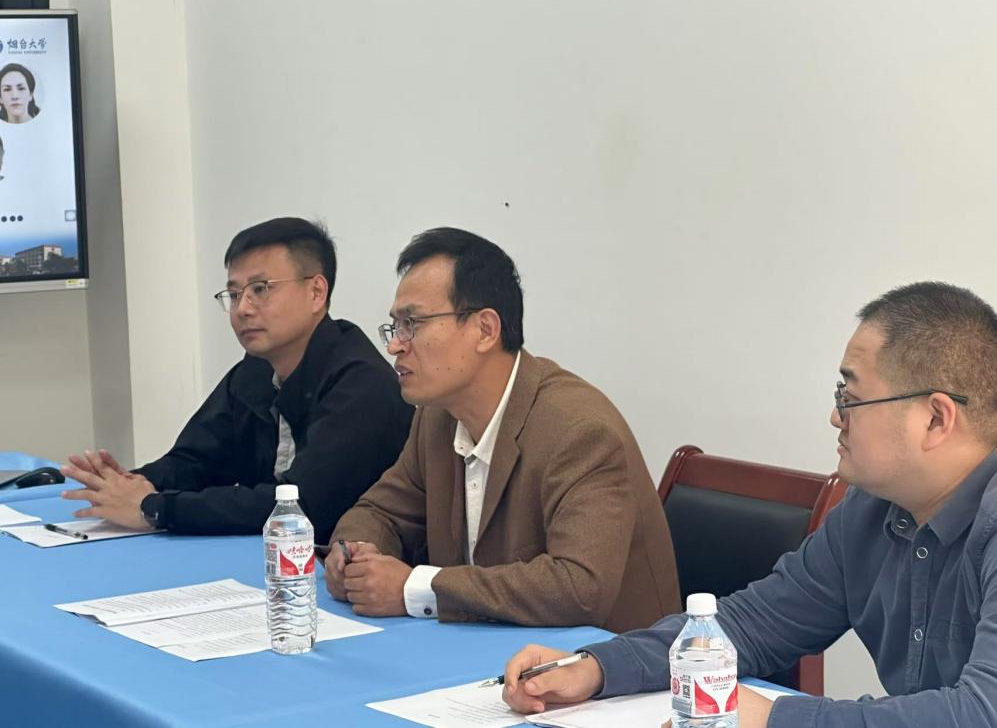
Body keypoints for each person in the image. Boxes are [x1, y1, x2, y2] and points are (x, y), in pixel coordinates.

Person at [502, 280, 997, 728]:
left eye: (850, 397)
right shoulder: (869, 511)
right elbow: (752, 626)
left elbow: (982, 712)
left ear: (936, 419)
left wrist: (773, 719)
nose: (835, 416)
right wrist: (599, 667)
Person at [325, 227, 681, 632]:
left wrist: (416, 588)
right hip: (486, 648)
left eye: (413, 324)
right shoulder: (437, 417)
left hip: (601, 660)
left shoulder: (580, 431)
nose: (394, 346)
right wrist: (355, 553)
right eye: (395, 326)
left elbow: (581, 587)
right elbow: (380, 511)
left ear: (485, 330)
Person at [61, 217, 414, 542]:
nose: (242, 308)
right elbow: (194, 461)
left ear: (316, 292)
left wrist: (154, 508)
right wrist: (126, 484)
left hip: (336, 567)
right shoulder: (256, 370)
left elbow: (302, 506)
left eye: (260, 289)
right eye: (233, 294)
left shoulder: (361, 384)